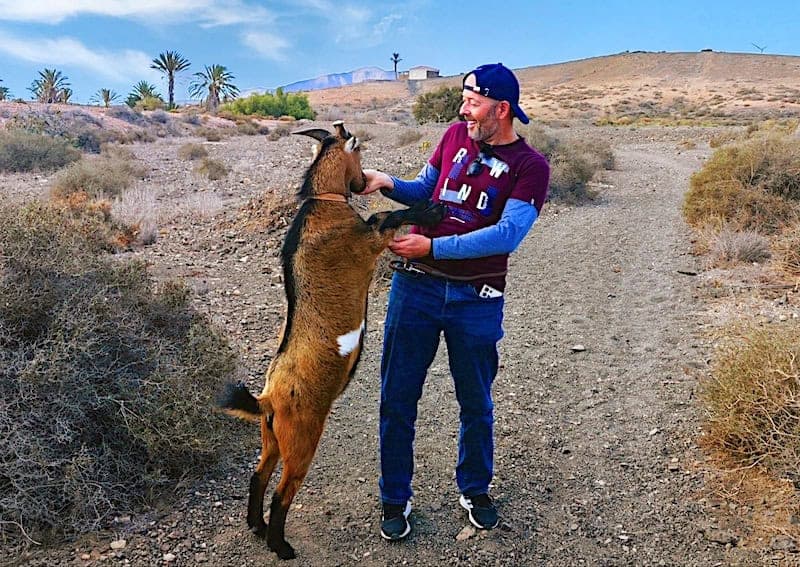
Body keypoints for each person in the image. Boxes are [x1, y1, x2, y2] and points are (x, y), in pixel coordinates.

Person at [362, 63, 550, 541]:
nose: (462, 108)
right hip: (416, 289)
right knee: (398, 398)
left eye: (472, 100)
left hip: (476, 298)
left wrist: (434, 248)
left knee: (476, 401)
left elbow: (508, 234)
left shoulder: (531, 167)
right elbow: (425, 190)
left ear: (500, 109)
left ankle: (474, 487)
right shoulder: (452, 137)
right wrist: (386, 181)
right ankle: (394, 498)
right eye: (463, 98)